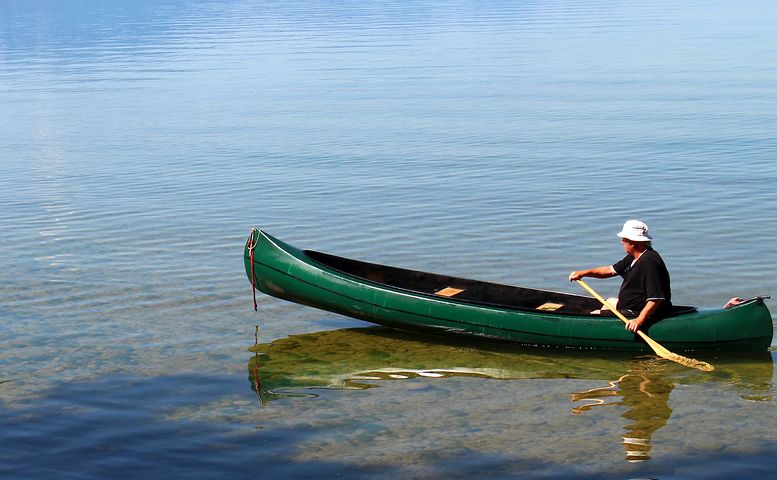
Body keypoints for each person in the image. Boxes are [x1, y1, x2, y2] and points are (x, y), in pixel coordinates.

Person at [568, 220, 672, 333]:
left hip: (637, 312)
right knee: (609, 301)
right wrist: (583, 273)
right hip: (628, 306)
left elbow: (656, 299)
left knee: (594, 314)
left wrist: (639, 320)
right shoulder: (633, 257)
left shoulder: (649, 262)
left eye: (624, 239)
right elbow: (610, 270)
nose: (622, 242)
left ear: (633, 242)